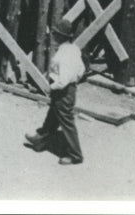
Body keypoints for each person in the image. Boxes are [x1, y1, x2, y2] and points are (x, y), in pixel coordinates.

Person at [25, 19, 85, 165]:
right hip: (67, 90)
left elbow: (63, 80)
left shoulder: (64, 55)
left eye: (55, 33)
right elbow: (82, 69)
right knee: (52, 116)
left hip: (63, 90)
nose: (53, 36)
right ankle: (41, 138)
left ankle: (75, 155)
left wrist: (51, 87)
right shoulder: (73, 49)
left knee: (66, 122)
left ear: (61, 36)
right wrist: (74, 79)